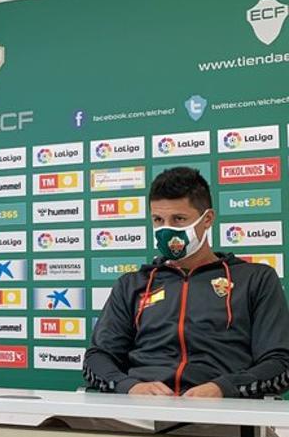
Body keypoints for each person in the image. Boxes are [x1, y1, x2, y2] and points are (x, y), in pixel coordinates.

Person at [84, 167, 289, 398]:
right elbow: (96, 359)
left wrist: (223, 388)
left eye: (179, 219)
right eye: (158, 220)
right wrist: (130, 386)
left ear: (207, 219)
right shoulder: (131, 284)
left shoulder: (255, 279)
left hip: (223, 415)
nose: (167, 229)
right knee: (55, 427)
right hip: (139, 412)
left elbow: (280, 363)